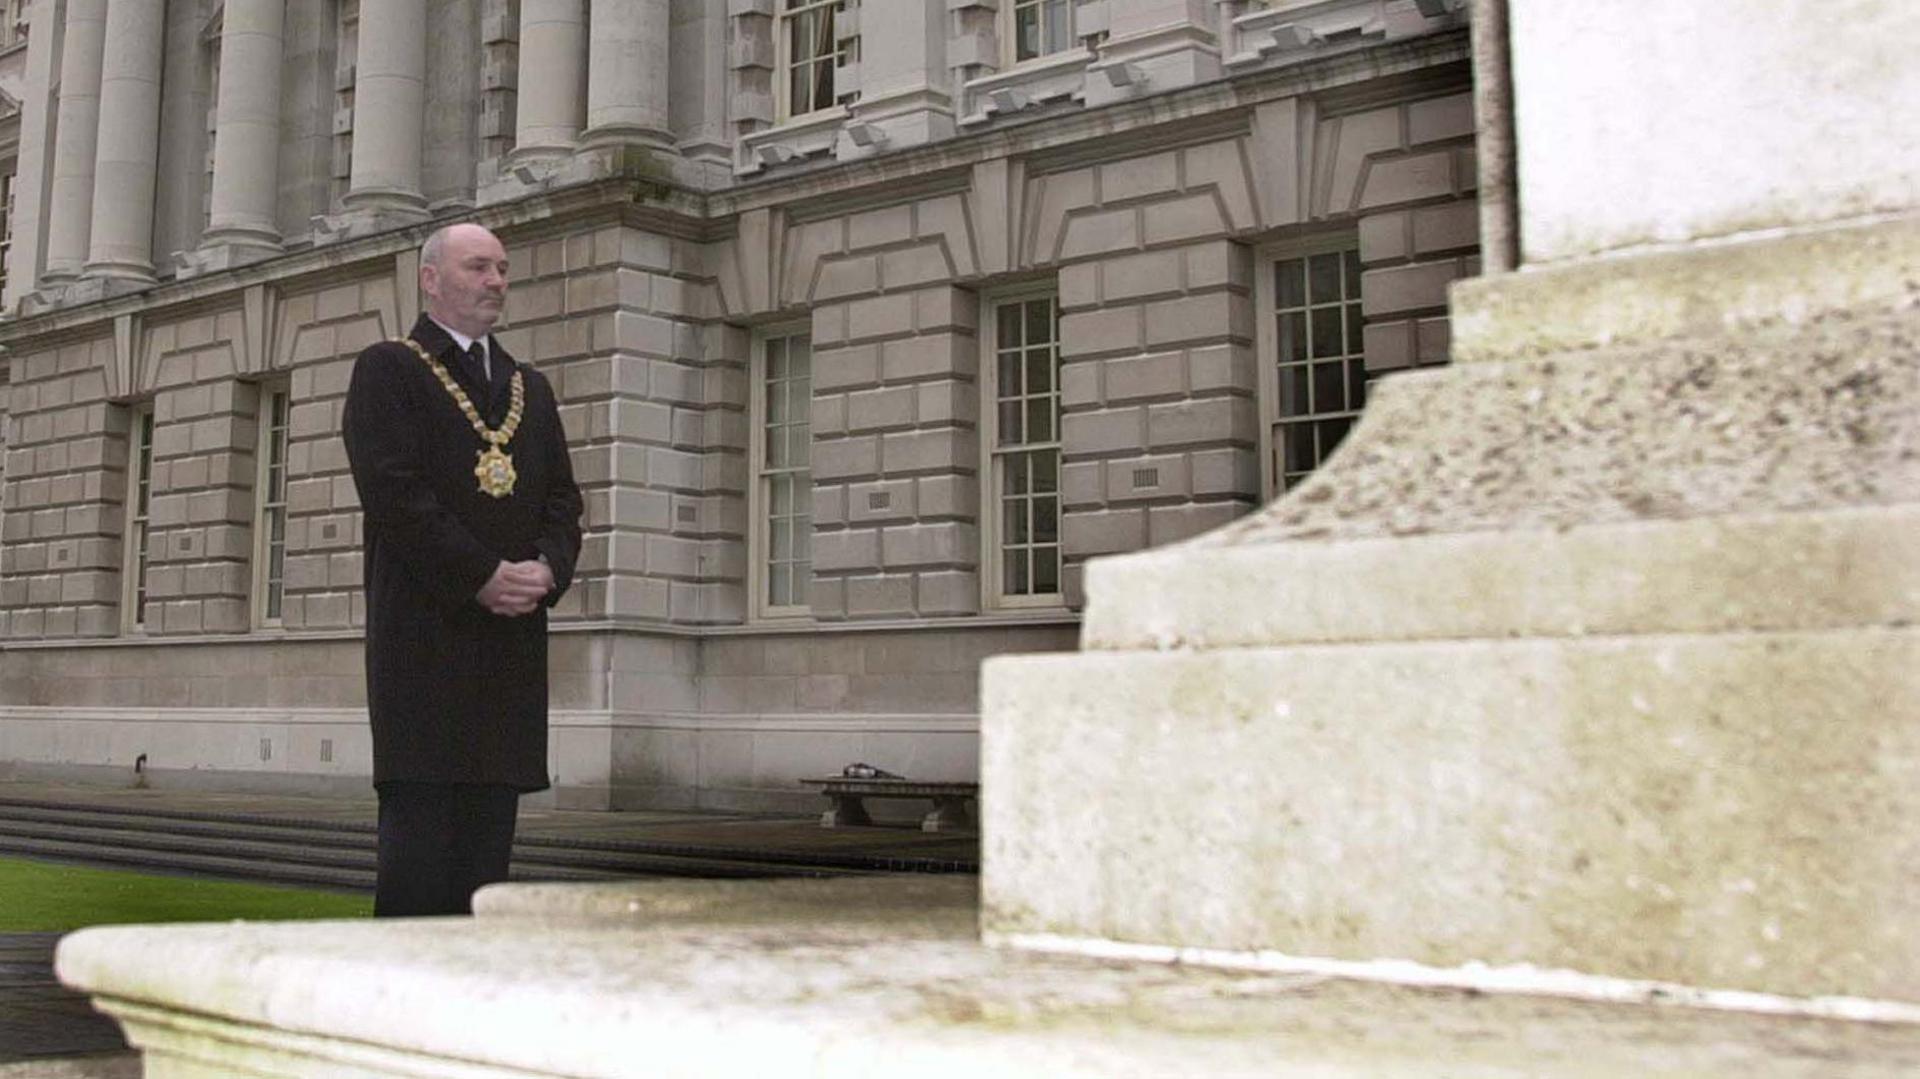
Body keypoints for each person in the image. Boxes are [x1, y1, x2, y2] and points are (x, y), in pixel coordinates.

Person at [342, 222, 583, 916]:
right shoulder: (389, 370)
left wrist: (546, 568)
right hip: (423, 653)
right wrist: (481, 574)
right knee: (418, 865)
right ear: (430, 278)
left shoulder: (528, 388)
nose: (496, 281)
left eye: (503, 269)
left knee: (486, 869)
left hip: (506, 658)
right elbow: (396, 495)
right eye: (479, 267)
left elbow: (563, 500)